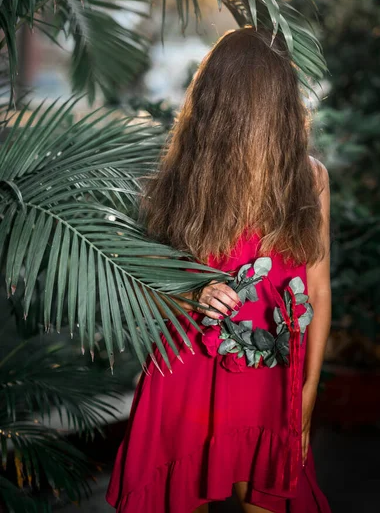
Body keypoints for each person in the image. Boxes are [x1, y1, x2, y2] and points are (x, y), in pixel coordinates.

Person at [105, 26, 332, 513]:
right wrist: (191, 293)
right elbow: (139, 277)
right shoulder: (181, 179)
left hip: (271, 377)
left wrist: (307, 395)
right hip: (189, 366)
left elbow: (317, 289)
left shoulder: (309, 179)